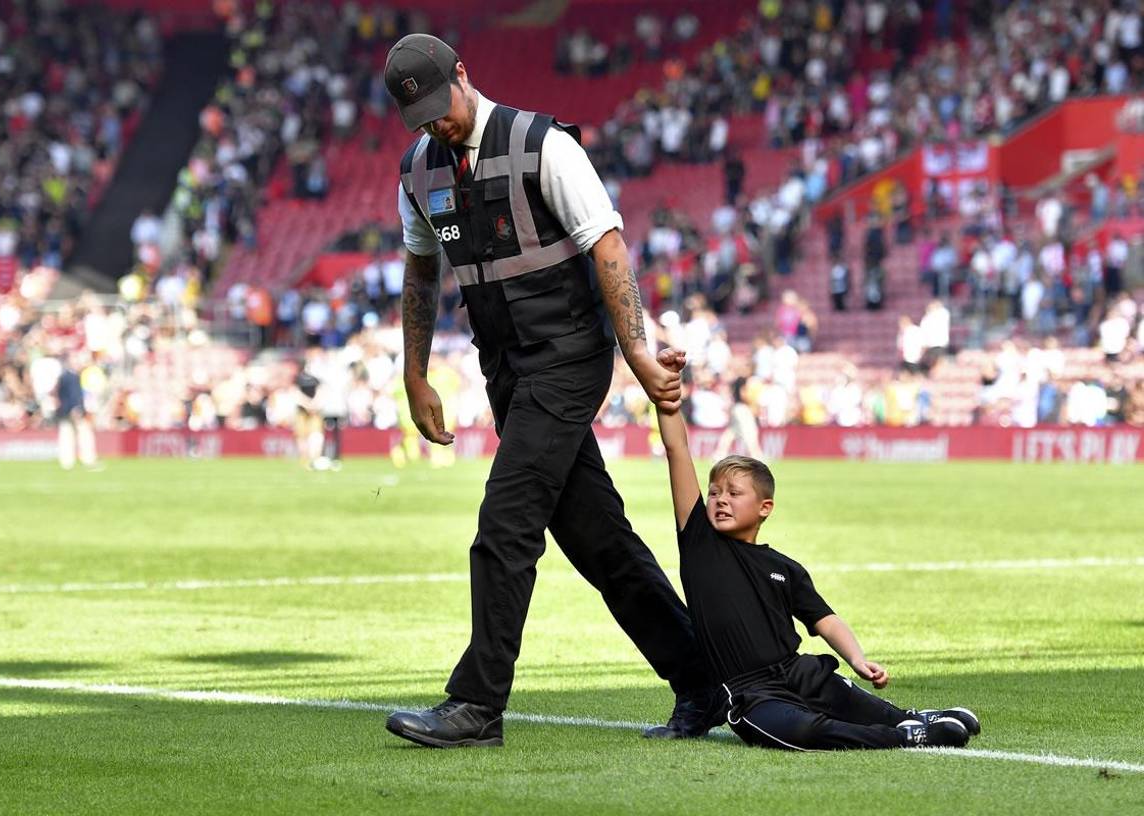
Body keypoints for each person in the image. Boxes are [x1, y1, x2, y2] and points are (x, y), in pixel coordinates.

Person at [382, 33, 712, 748]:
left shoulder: (545, 146)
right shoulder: (418, 170)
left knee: (505, 522)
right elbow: (420, 272)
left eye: (442, 107)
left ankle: (477, 705)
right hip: (505, 367)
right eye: (422, 119)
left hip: (568, 357)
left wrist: (638, 351)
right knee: (600, 543)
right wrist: (414, 373)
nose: (437, 125)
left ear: (464, 76)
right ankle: (701, 680)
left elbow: (608, 247)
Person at [653, 347, 980, 750]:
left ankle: (913, 719)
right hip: (751, 692)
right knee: (804, 732)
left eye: (734, 493)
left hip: (799, 671)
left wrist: (857, 659)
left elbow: (824, 619)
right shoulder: (701, 544)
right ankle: (904, 736)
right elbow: (677, 452)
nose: (719, 499)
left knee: (852, 700)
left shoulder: (784, 567)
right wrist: (667, 397)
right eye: (715, 492)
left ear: (764, 508)